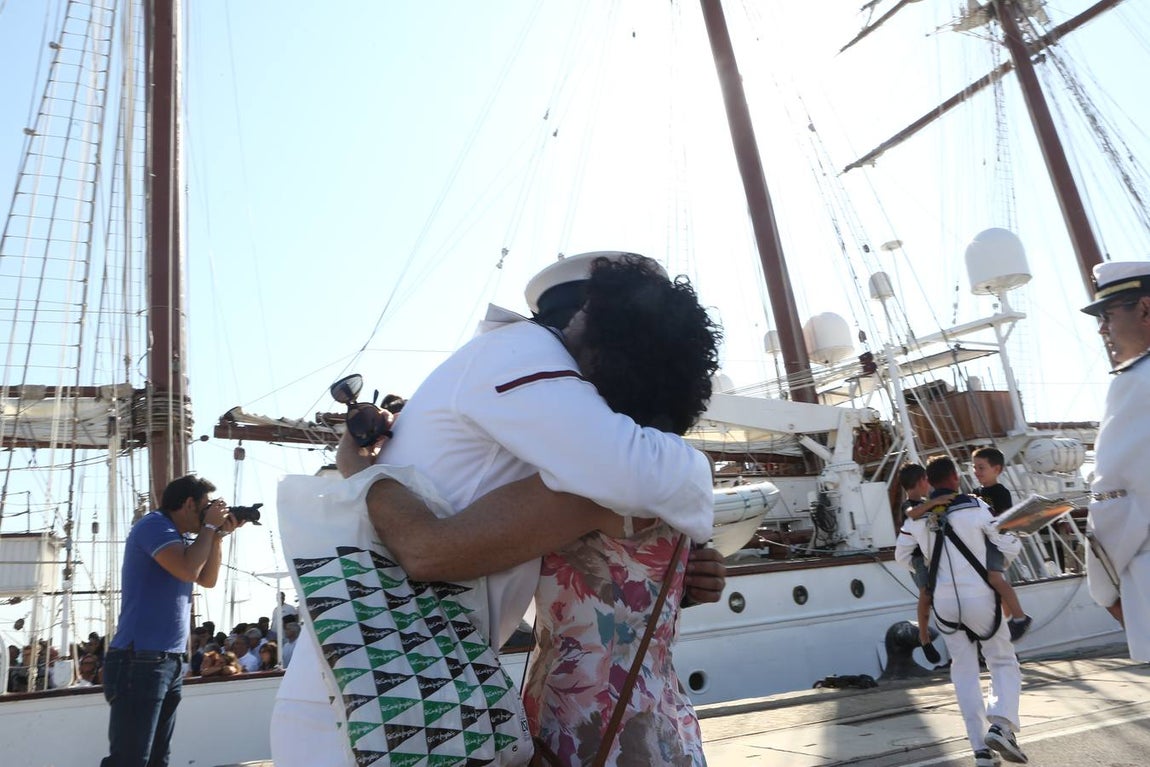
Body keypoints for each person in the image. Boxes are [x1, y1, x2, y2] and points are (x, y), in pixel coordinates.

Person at [273, 252, 722, 767]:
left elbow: (432, 551)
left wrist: (361, 471)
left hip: (405, 690)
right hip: (373, 697)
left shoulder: (586, 464)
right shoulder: (527, 359)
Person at [99, 474, 243, 767]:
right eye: (205, 508)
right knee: (130, 760)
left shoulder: (181, 537)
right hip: (139, 660)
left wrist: (215, 535)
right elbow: (189, 569)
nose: (207, 515)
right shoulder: (154, 526)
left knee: (156, 760)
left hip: (167, 661)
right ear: (189, 504)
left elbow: (207, 578)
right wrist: (211, 526)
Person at [896, 456, 1027, 766]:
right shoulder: (977, 507)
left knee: (963, 671)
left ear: (929, 481)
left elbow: (902, 555)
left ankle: (980, 751)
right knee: (1002, 660)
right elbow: (1008, 545)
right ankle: (1001, 726)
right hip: (980, 597)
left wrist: (926, 564)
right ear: (955, 478)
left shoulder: (916, 517)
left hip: (944, 604)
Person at [1079, 260, 1150, 660]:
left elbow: (1116, 502)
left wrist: (1102, 588)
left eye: (1107, 315)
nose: (1102, 329)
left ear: (1144, 309)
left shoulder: (1136, 384)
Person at [971, 446, 1032, 640]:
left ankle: (1020, 617)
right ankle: (1005, 624)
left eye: (981, 467)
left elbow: (1005, 518)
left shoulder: (1000, 492)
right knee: (993, 584)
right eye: (974, 467)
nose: (976, 472)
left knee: (996, 579)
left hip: (995, 542)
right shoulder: (974, 493)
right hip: (981, 543)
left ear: (997, 469)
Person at [896, 463, 944, 663]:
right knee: (926, 592)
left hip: (929, 554)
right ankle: (923, 638)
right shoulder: (908, 504)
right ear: (921, 481)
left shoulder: (926, 502)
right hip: (915, 558)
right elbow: (913, 514)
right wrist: (938, 500)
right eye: (926, 479)